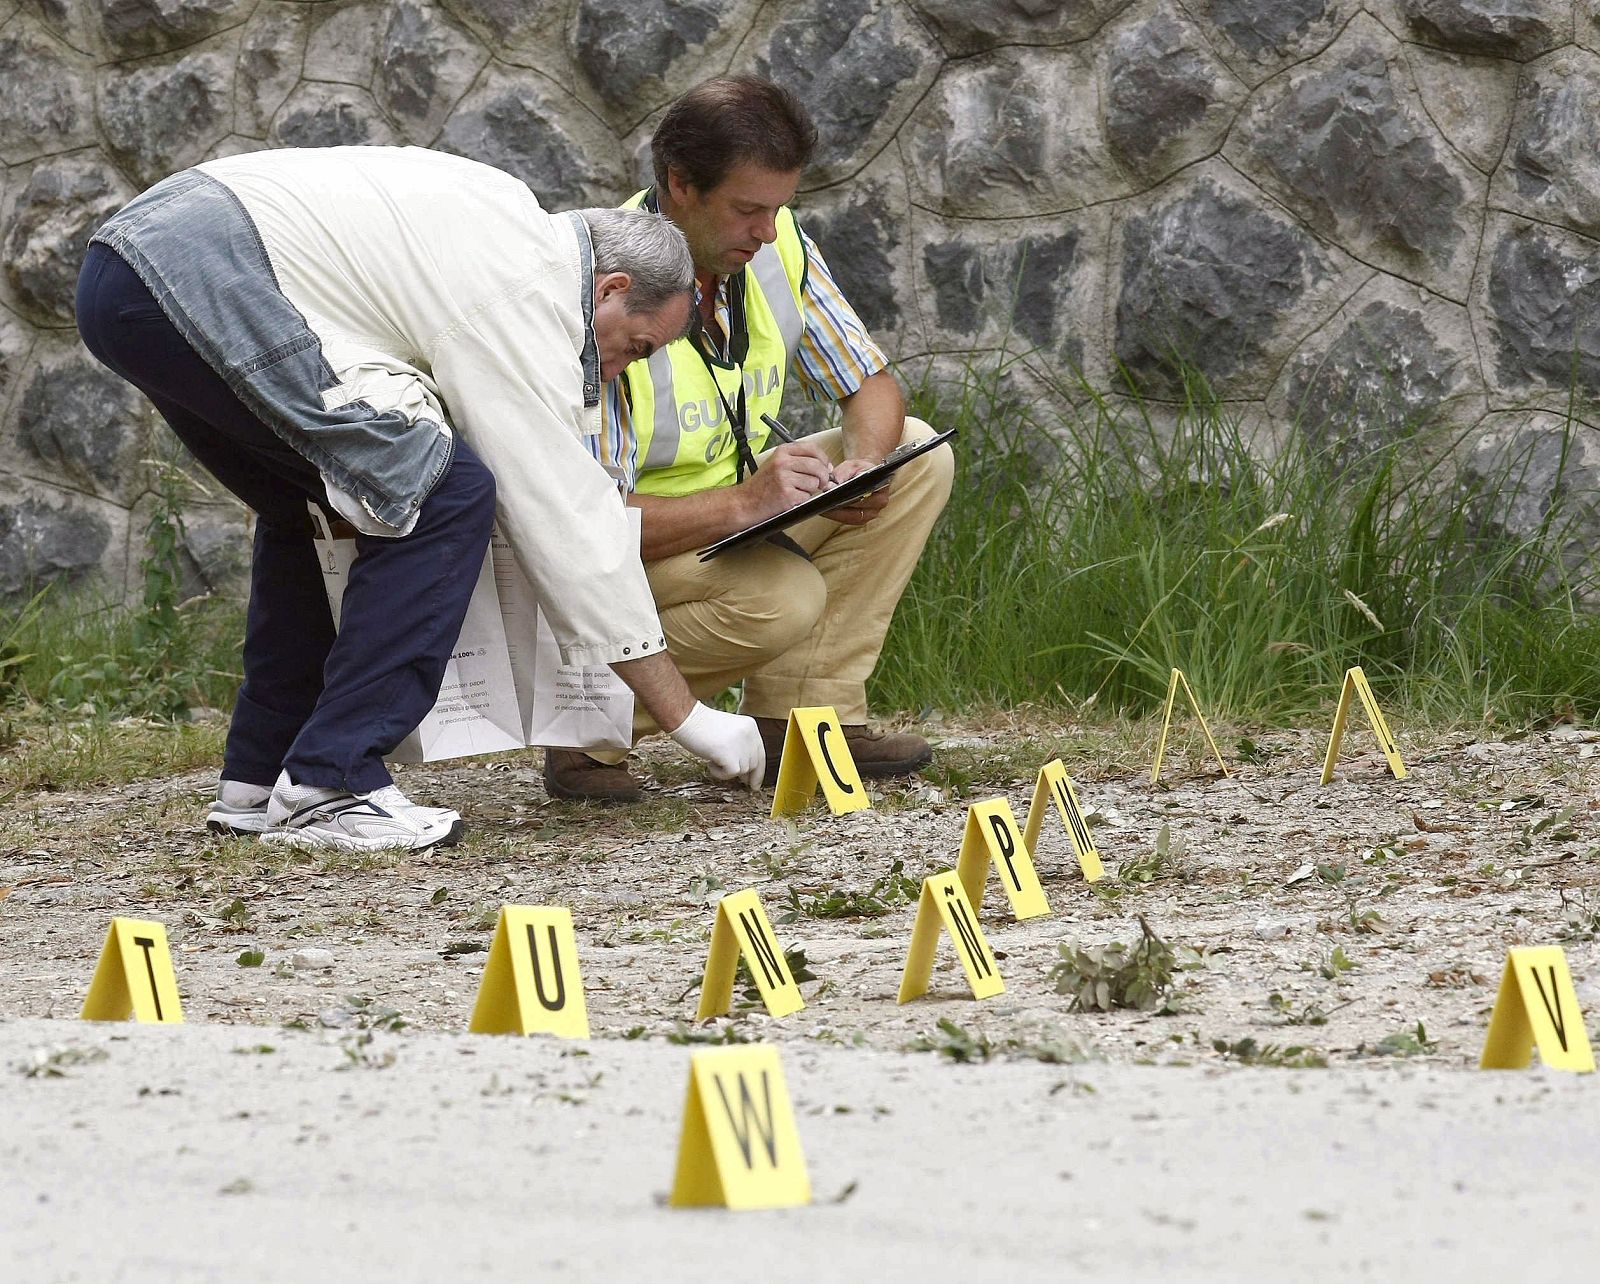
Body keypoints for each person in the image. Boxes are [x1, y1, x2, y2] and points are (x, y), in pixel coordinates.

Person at [77, 145, 766, 851]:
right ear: (610, 289)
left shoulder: (503, 227)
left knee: (315, 506)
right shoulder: (526, 287)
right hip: (200, 270)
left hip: (129, 269)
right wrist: (688, 718)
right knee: (447, 493)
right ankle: (333, 781)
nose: (624, 370)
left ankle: (261, 777)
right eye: (639, 346)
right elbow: (563, 513)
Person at [545, 77, 955, 802]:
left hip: (729, 517)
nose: (767, 231)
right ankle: (588, 728)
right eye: (746, 209)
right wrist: (746, 505)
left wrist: (863, 467)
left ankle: (803, 715)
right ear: (679, 185)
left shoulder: (776, 244)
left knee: (918, 454)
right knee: (781, 599)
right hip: (628, 547)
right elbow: (586, 529)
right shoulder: (608, 283)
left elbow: (870, 383)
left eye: (777, 207)